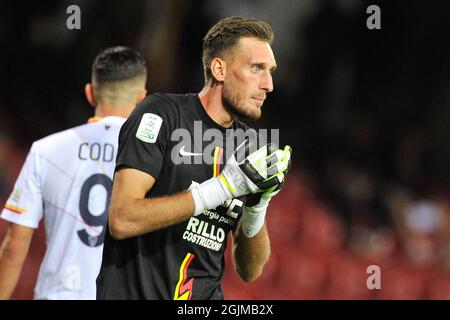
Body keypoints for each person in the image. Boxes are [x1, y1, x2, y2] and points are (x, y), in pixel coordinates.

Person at [96, 16, 292, 300]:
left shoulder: (250, 146)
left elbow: (249, 270)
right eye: (256, 69)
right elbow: (122, 220)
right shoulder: (162, 115)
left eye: (270, 71)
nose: (268, 84)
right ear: (219, 69)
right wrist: (222, 188)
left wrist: (257, 208)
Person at [0, 46, 148, 300]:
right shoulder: (157, 158)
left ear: (90, 94)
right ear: (142, 98)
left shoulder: (45, 150)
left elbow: (15, 245)